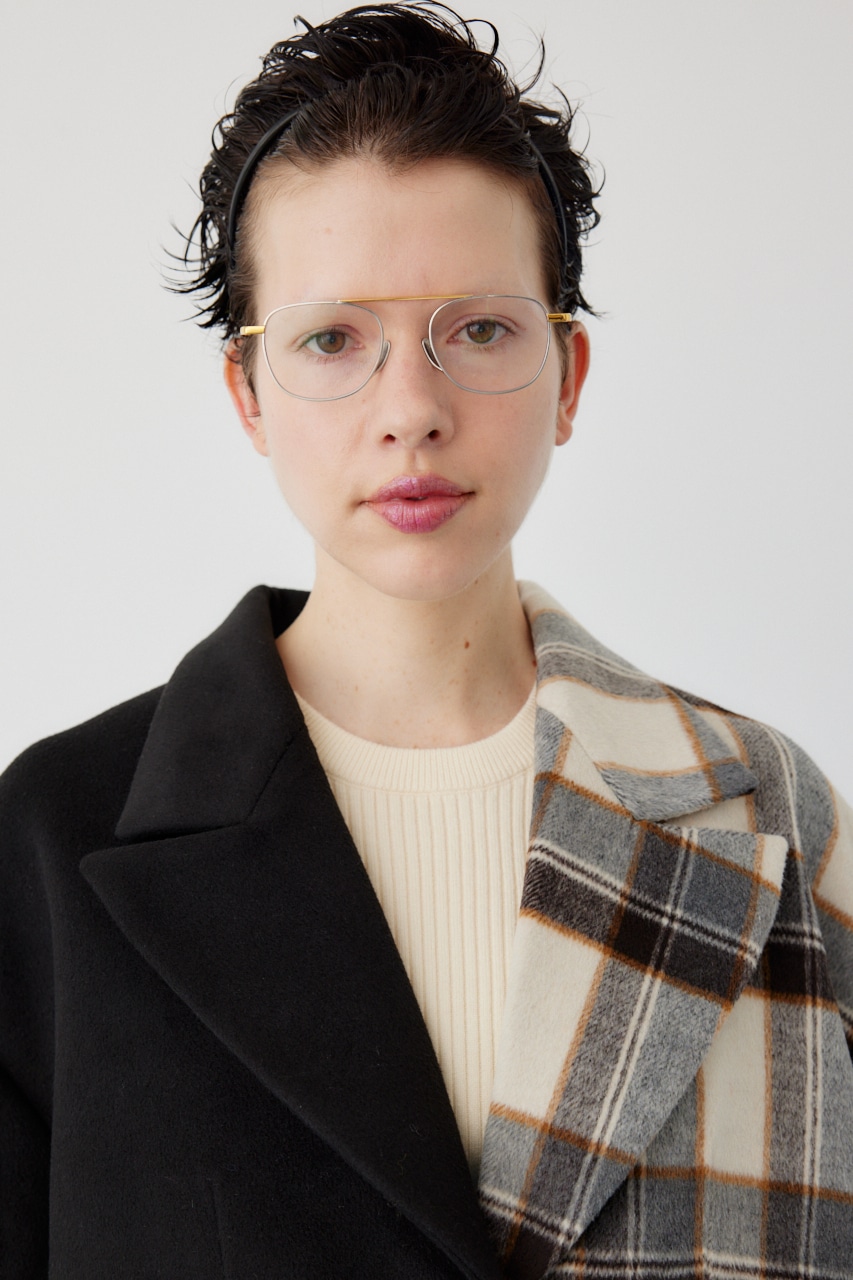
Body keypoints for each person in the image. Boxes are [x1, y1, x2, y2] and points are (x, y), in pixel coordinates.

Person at [1, 4, 851, 1276]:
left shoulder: (768, 817)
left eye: (481, 329)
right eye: (332, 339)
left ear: (568, 377)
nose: (411, 408)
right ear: (249, 393)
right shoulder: (57, 838)